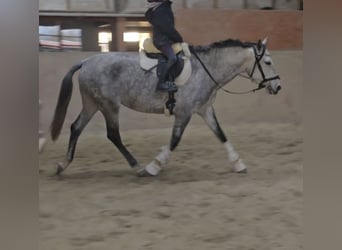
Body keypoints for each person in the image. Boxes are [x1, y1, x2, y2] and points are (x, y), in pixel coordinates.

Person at [145, 0, 184, 92]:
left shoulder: (160, 8)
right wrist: (178, 38)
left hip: (165, 39)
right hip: (163, 41)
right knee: (172, 58)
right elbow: (167, 28)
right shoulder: (162, 9)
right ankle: (161, 83)